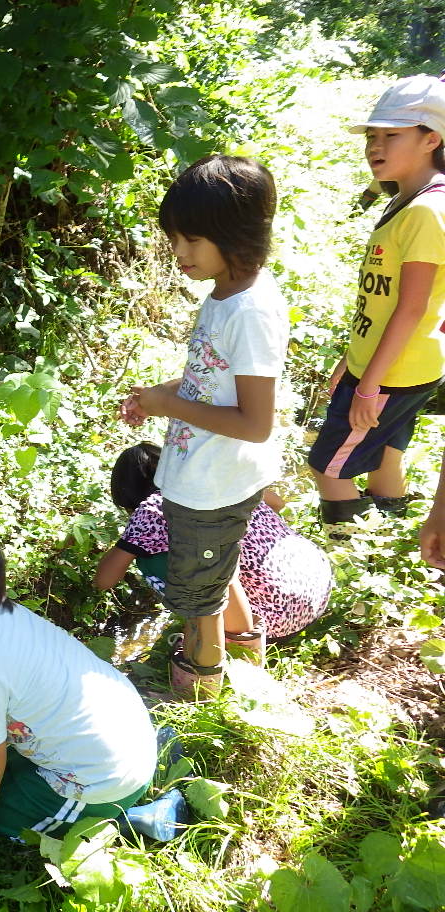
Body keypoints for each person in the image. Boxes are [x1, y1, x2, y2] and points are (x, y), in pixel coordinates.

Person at [119, 155, 288, 698]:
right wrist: (161, 396)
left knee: (196, 595)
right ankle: (243, 649)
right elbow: (211, 379)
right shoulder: (224, 296)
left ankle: (199, 692)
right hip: (204, 472)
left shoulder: (251, 312)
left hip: (216, 482)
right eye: (174, 238)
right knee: (212, 575)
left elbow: (255, 422)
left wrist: (172, 407)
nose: (178, 252)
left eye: (191, 240)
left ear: (232, 234)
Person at [0, 524, 156, 848]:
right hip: (129, 732)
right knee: (8, 774)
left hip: (107, 779)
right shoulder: (7, 614)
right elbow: (23, 678)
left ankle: (129, 822)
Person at [308, 75, 445, 539]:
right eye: (372, 136)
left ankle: (344, 548)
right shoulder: (409, 201)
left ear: (432, 139)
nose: (376, 146)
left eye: (392, 135)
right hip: (396, 367)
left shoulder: (427, 211)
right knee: (387, 448)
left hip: (390, 373)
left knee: (329, 465)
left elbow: (411, 307)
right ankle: (389, 526)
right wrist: (351, 361)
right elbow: (382, 299)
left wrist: (366, 384)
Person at [95, 443, 333, 654]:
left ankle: (233, 643)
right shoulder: (215, 479)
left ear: (129, 495)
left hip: (278, 619)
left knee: (150, 559)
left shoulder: (151, 509)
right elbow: (277, 503)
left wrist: (130, 542)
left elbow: (104, 581)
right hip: (316, 586)